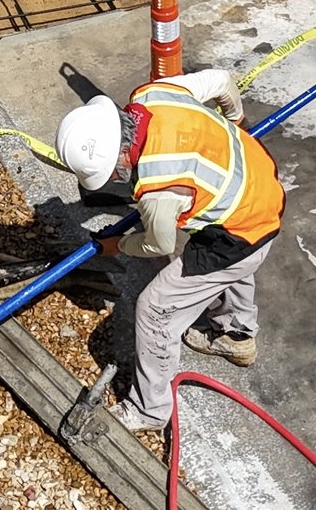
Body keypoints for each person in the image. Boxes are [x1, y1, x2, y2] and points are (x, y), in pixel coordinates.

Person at [54, 69, 286, 433]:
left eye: (112, 173)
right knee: (235, 249)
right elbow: (223, 82)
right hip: (258, 181)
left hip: (240, 233)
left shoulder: (159, 189)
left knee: (155, 308)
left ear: (118, 157)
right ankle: (236, 334)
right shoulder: (152, 96)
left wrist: (116, 245)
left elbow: (158, 244)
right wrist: (235, 121)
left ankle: (150, 409)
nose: (116, 179)